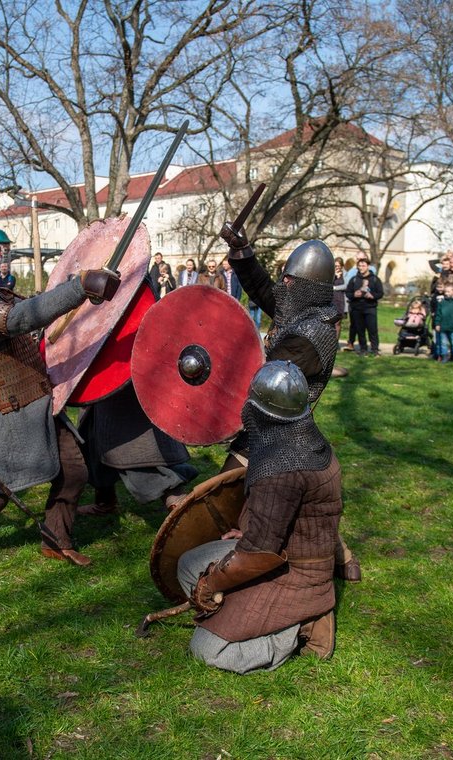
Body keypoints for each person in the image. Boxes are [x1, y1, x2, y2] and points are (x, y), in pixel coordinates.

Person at [0, 236, 120, 569]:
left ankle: (56, 539)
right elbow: (21, 319)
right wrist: (80, 286)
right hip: (10, 414)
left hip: (37, 400)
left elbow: (36, 305)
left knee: (74, 470)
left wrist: (84, 284)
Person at [177, 360, 343, 674]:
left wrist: (212, 583)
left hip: (295, 574)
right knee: (188, 564)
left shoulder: (284, 467)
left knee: (207, 651)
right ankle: (239, 615)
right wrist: (246, 529)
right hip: (277, 552)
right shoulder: (299, 442)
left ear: (258, 409)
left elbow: (259, 553)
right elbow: (277, 521)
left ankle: (301, 626)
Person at [220, 225, 358, 582]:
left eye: (292, 281)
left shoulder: (312, 335)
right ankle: (344, 560)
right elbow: (267, 290)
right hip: (271, 424)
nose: (285, 286)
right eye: (285, 278)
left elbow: (266, 378)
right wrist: (243, 251)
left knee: (228, 492)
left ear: (309, 289)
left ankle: (244, 564)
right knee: (283, 503)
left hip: (281, 431)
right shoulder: (299, 311)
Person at [76, 382, 198, 516]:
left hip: (127, 383)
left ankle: (188, 513)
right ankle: (105, 502)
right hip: (97, 381)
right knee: (93, 436)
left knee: (135, 449)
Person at [346, 256, 384, 356]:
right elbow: (348, 293)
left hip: (370, 307)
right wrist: (354, 294)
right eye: (359, 266)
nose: (361, 268)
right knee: (360, 330)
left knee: (372, 329)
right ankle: (363, 349)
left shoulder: (375, 279)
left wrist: (372, 296)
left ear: (368, 266)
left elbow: (380, 293)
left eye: (363, 265)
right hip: (357, 308)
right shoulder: (354, 279)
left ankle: (375, 349)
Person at [433, 284, 453, 365]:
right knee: (443, 343)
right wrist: (437, 324)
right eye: (445, 291)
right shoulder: (442, 303)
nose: (446, 293)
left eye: (448, 291)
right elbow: (438, 314)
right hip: (443, 326)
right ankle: (444, 357)